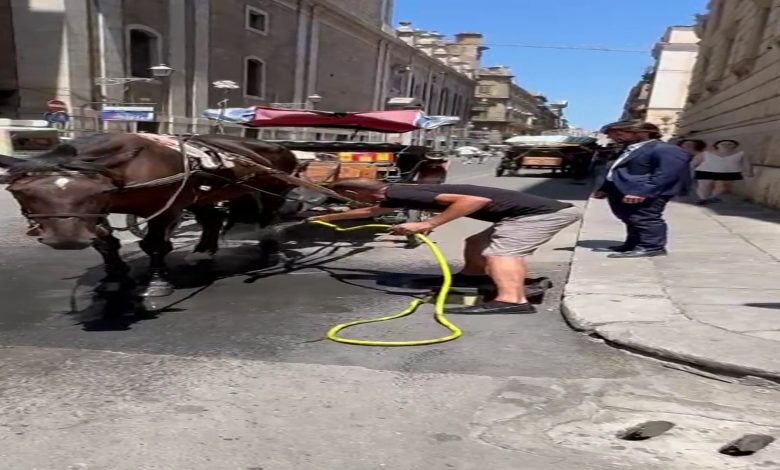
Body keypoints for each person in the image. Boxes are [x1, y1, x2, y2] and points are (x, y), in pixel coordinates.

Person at [308, 179, 581, 314]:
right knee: (475, 242)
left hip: (540, 215)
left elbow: (474, 201)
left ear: (353, 192)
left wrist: (428, 223)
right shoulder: (396, 192)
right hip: (532, 213)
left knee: (502, 253)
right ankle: (473, 278)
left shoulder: (400, 192)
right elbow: (369, 212)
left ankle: (512, 300)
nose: (349, 202)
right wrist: (323, 219)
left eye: (346, 198)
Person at [592, 121, 692, 258]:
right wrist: (605, 188)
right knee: (630, 218)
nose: (613, 137)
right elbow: (617, 169)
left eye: (617, 134)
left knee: (645, 219)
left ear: (641, 132)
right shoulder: (630, 148)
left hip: (644, 191)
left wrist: (642, 192)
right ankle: (633, 243)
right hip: (623, 190)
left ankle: (652, 247)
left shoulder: (664, 149)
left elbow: (667, 174)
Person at [692, 139, 752, 205]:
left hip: (730, 172)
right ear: (717, 145)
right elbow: (695, 161)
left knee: (724, 187)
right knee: (704, 185)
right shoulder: (706, 153)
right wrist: (692, 168)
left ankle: (712, 197)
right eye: (722, 144)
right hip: (705, 171)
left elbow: (746, 163)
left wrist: (749, 171)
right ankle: (702, 199)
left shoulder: (741, 154)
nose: (726, 145)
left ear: (734, 146)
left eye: (730, 144)